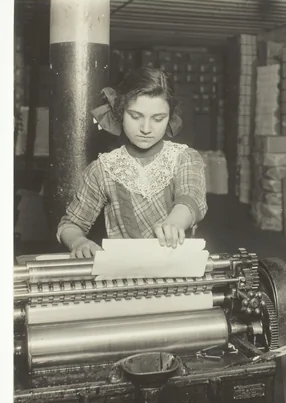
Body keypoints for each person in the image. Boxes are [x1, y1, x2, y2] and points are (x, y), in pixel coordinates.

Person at [57, 67, 208, 259]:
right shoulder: (104, 169)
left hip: (175, 267)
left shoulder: (184, 158)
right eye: (135, 117)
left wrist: (175, 223)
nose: (146, 128)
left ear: (170, 116)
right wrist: (78, 241)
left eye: (158, 118)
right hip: (124, 273)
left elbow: (191, 197)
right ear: (120, 112)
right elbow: (70, 225)